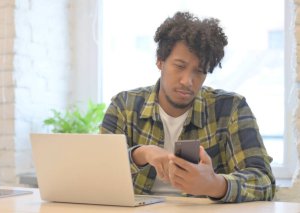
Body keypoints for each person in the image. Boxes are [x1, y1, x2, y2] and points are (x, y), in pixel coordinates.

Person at [100, 11, 275, 203]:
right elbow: (98, 172)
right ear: (160, 61)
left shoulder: (231, 108)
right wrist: (140, 154)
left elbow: (264, 180)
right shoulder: (124, 106)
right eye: (179, 66)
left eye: (199, 71)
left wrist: (215, 184)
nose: (187, 81)